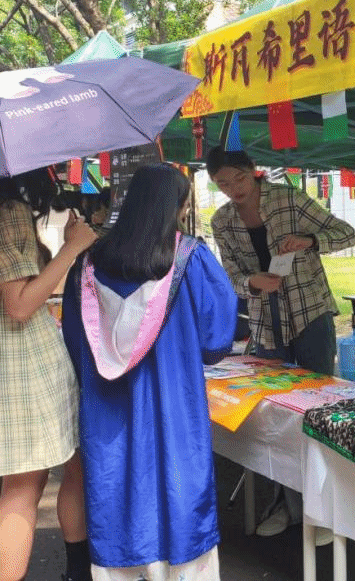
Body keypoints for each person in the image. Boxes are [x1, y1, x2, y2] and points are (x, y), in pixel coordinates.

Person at [60, 164, 237, 581]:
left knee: (115, 488)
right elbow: (216, 340)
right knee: (178, 486)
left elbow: (75, 341)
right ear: (178, 206)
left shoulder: (86, 267)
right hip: (175, 406)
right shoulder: (191, 259)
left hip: (108, 411)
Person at [206, 147, 355, 538]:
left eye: (239, 178)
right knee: (275, 416)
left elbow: (346, 233)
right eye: (223, 183)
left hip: (309, 314)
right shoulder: (222, 221)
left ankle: (325, 511)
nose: (234, 189)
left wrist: (309, 240)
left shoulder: (289, 198)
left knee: (317, 412)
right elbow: (231, 276)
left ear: (253, 171)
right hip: (266, 324)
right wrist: (251, 283)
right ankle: (287, 505)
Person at [0, 168, 95, 581]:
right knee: (23, 487)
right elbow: (20, 305)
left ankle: (79, 570)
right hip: (23, 363)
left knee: (75, 465)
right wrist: (71, 248)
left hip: (20, 364)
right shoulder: (9, 211)